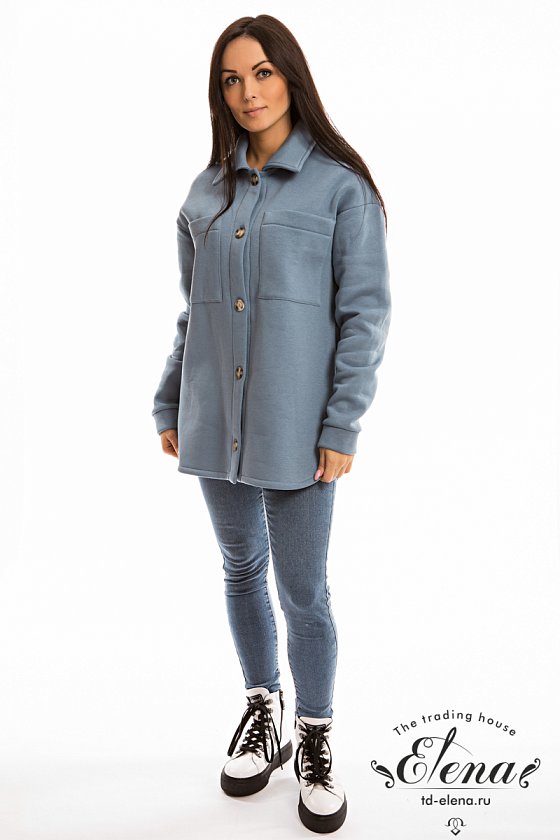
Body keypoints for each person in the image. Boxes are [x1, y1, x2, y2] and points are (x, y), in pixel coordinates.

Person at [151, 14, 391, 835]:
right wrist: (170, 400)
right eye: (231, 79)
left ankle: (316, 733)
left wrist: (342, 425)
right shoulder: (204, 193)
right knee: (239, 569)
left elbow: (364, 317)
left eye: (262, 73)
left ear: (290, 75)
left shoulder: (341, 189)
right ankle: (266, 710)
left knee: (304, 591)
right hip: (212, 419)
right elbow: (195, 313)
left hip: (298, 427)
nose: (247, 92)